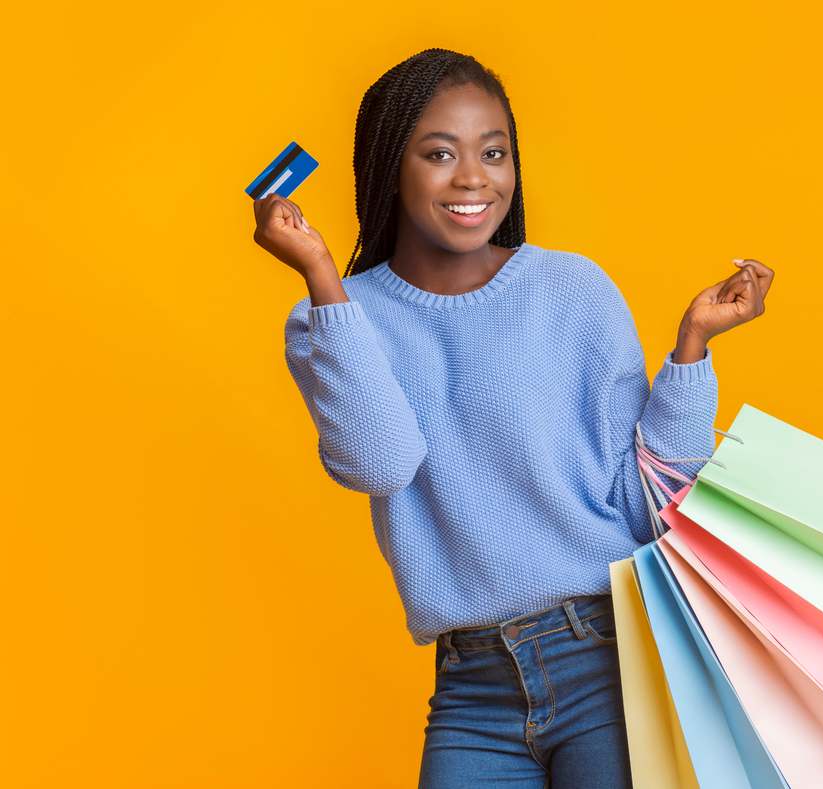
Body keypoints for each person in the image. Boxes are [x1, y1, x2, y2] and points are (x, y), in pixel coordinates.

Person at [252, 48, 773, 789]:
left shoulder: (572, 290)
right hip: (470, 685)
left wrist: (690, 352)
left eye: (494, 153)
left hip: (607, 658)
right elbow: (381, 462)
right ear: (387, 165)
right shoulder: (331, 319)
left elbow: (647, 501)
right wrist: (323, 279)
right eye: (439, 153)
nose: (474, 178)